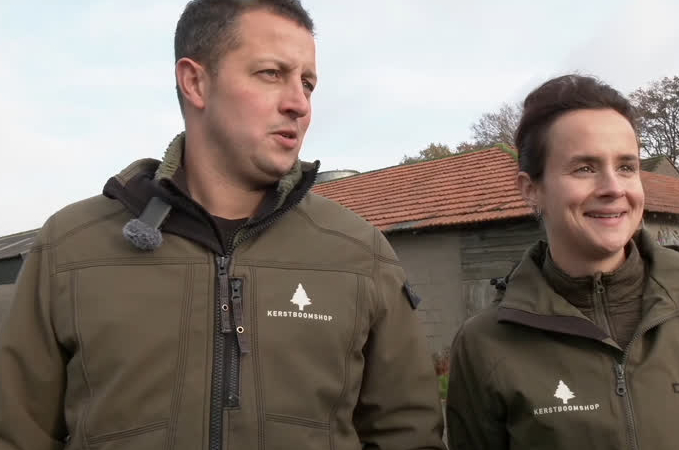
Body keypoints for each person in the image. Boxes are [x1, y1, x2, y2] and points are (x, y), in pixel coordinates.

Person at [0, 1, 445, 449]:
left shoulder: (361, 254)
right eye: (271, 73)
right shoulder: (69, 249)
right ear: (195, 82)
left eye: (307, 83)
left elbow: (407, 435)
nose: (299, 104)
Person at [445, 74, 679, 450]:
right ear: (531, 190)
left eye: (626, 167)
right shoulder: (486, 344)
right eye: (585, 168)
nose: (613, 188)